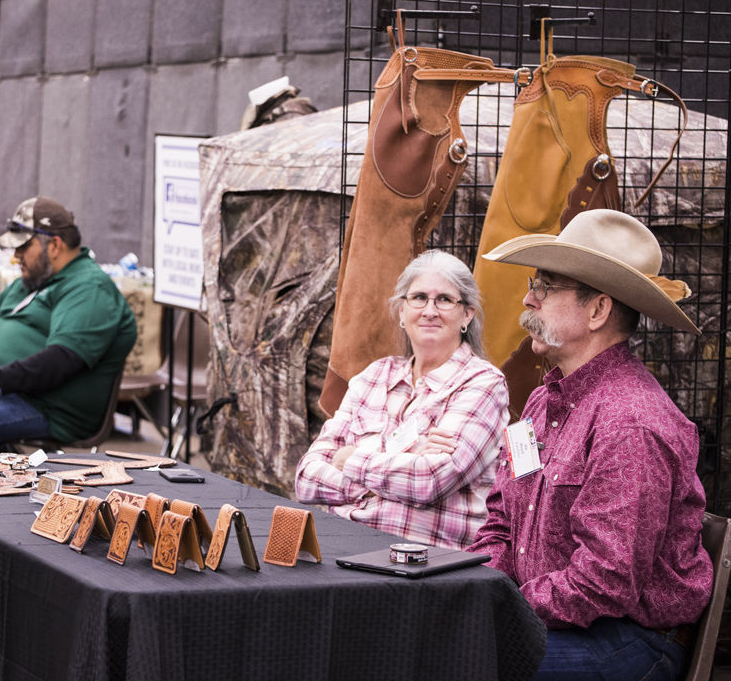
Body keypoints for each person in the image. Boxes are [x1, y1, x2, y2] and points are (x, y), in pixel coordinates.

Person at [467, 209, 712, 681]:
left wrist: (503, 608)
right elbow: (501, 517)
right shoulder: (542, 400)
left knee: (458, 662)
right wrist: (488, 593)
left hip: (627, 640)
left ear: (598, 310)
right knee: (441, 645)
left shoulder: (632, 423)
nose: (527, 298)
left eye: (545, 286)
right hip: (547, 621)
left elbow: (606, 580)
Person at [294, 249, 508, 550]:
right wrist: (405, 465)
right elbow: (306, 477)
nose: (430, 310)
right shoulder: (374, 376)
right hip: (344, 548)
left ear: (467, 315)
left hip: (427, 566)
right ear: (402, 312)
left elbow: (430, 480)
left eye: (445, 299)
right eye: (418, 297)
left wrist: (349, 460)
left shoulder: (482, 384)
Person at [0, 196, 137, 447]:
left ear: (54, 246)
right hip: (7, 389)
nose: (15, 256)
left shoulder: (89, 288)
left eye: (23, 247)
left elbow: (59, 361)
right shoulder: (34, 279)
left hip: (44, 409)